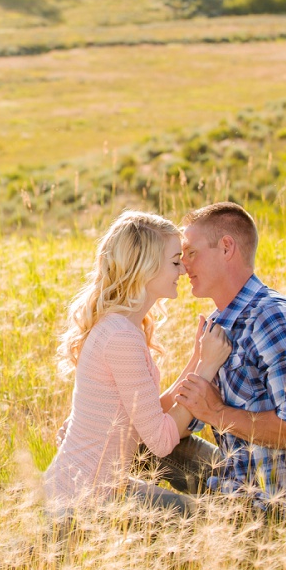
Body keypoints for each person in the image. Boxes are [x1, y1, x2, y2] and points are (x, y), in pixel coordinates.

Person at [44, 210, 232, 518]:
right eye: (175, 261)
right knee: (203, 522)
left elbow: (148, 413)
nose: (183, 271)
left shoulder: (121, 326)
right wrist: (207, 369)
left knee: (199, 516)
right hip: (84, 502)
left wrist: (198, 359)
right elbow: (158, 440)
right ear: (145, 268)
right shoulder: (120, 337)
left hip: (97, 488)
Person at [170, 202, 286, 514]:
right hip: (235, 484)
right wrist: (198, 363)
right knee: (142, 449)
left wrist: (217, 414)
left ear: (226, 248)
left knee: (139, 505)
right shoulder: (220, 324)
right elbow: (177, 428)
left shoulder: (273, 319)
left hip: (283, 511)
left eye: (192, 252)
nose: (183, 266)